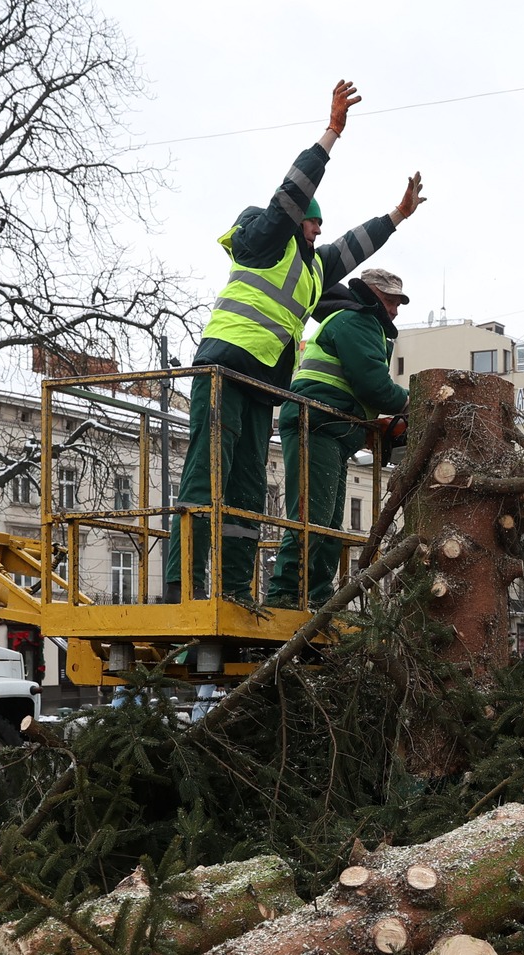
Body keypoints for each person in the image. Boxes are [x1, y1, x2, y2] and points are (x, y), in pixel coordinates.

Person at [168, 78, 426, 602]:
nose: (318, 230)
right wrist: (331, 134)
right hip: (222, 369)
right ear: (297, 221)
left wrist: (397, 216)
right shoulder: (267, 239)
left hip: (264, 386)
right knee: (205, 480)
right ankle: (182, 587)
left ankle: (236, 590)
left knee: (244, 496)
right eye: (312, 222)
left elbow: (352, 249)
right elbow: (291, 192)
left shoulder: (310, 269)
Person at [265, 267, 415, 607]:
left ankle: (317, 596)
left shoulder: (364, 326)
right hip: (316, 423)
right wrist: (411, 404)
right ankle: (284, 595)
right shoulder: (356, 321)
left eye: (398, 304)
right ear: (372, 294)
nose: (394, 310)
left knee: (330, 523)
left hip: (330, 428)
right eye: (390, 301)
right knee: (311, 517)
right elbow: (373, 385)